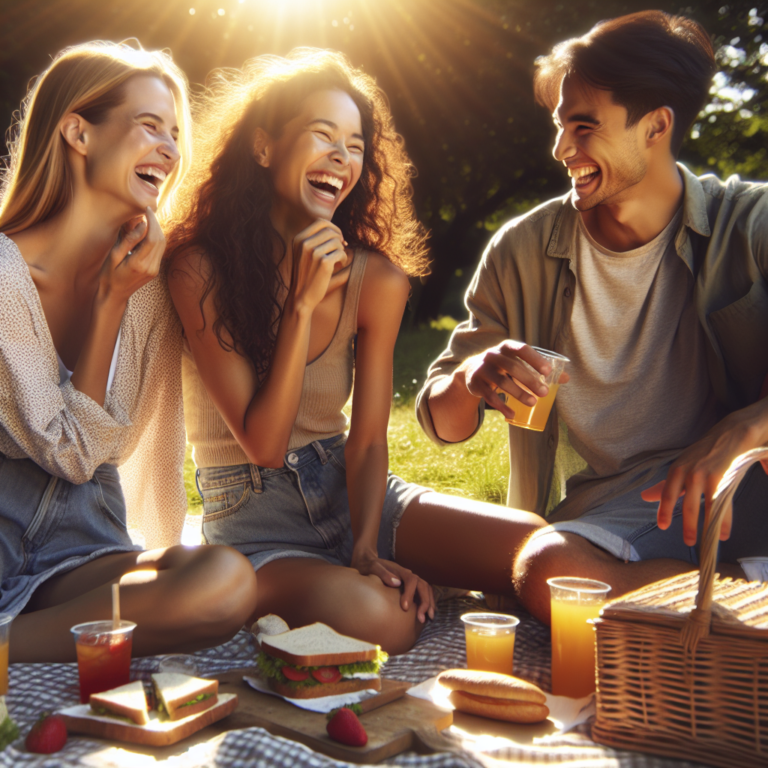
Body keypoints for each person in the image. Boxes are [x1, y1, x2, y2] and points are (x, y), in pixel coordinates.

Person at [167, 49, 544, 655]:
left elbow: (367, 437)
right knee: (385, 621)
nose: (342, 157)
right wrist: (301, 305)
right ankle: (298, 592)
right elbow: (262, 445)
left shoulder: (377, 280)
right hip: (254, 520)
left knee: (533, 549)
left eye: (356, 144)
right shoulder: (197, 269)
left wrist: (366, 546)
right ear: (263, 147)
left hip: (354, 490)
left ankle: (370, 571)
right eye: (323, 135)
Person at [416, 11, 768, 624]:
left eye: (584, 126)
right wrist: (473, 377)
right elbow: (441, 424)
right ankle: (747, 587)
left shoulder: (752, 226)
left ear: (656, 126)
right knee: (502, 558)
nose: (561, 148)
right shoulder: (522, 250)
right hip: (610, 512)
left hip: (744, 493)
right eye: (560, 125)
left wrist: (744, 427)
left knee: (552, 575)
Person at [0, 41, 257, 663]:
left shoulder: (147, 284)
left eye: (174, 133)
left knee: (225, 581)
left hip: (85, 549)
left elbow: (158, 441)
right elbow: (72, 452)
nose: (169, 149)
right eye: (149, 127)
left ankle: (17, 642)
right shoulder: (6, 277)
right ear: (77, 133)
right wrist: (109, 302)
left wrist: (160, 555)